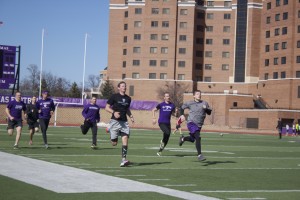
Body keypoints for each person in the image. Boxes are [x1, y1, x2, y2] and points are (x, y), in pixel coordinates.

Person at [105, 81, 134, 167]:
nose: (124, 87)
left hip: (124, 122)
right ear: (118, 88)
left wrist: (131, 116)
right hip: (115, 122)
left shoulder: (128, 98)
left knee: (125, 139)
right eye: (122, 86)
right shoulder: (114, 96)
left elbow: (127, 109)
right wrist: (114, 112)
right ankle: (109, 129)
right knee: (114, 143)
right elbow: (106, 107)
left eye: (125, 86)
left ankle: (123, 160)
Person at [178, 90, 212, 161]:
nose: (199, 95)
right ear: (194, 96)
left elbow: (209, 113)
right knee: (198, 137)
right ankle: (199, 155)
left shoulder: (204, 103)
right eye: (197, 94)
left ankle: (183, 139)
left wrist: (206, 109)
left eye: (200, 94)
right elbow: (181, 108)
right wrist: (182, 115)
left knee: (192, 139)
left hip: (199, 125)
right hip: (191, 123)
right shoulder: (190, 103)